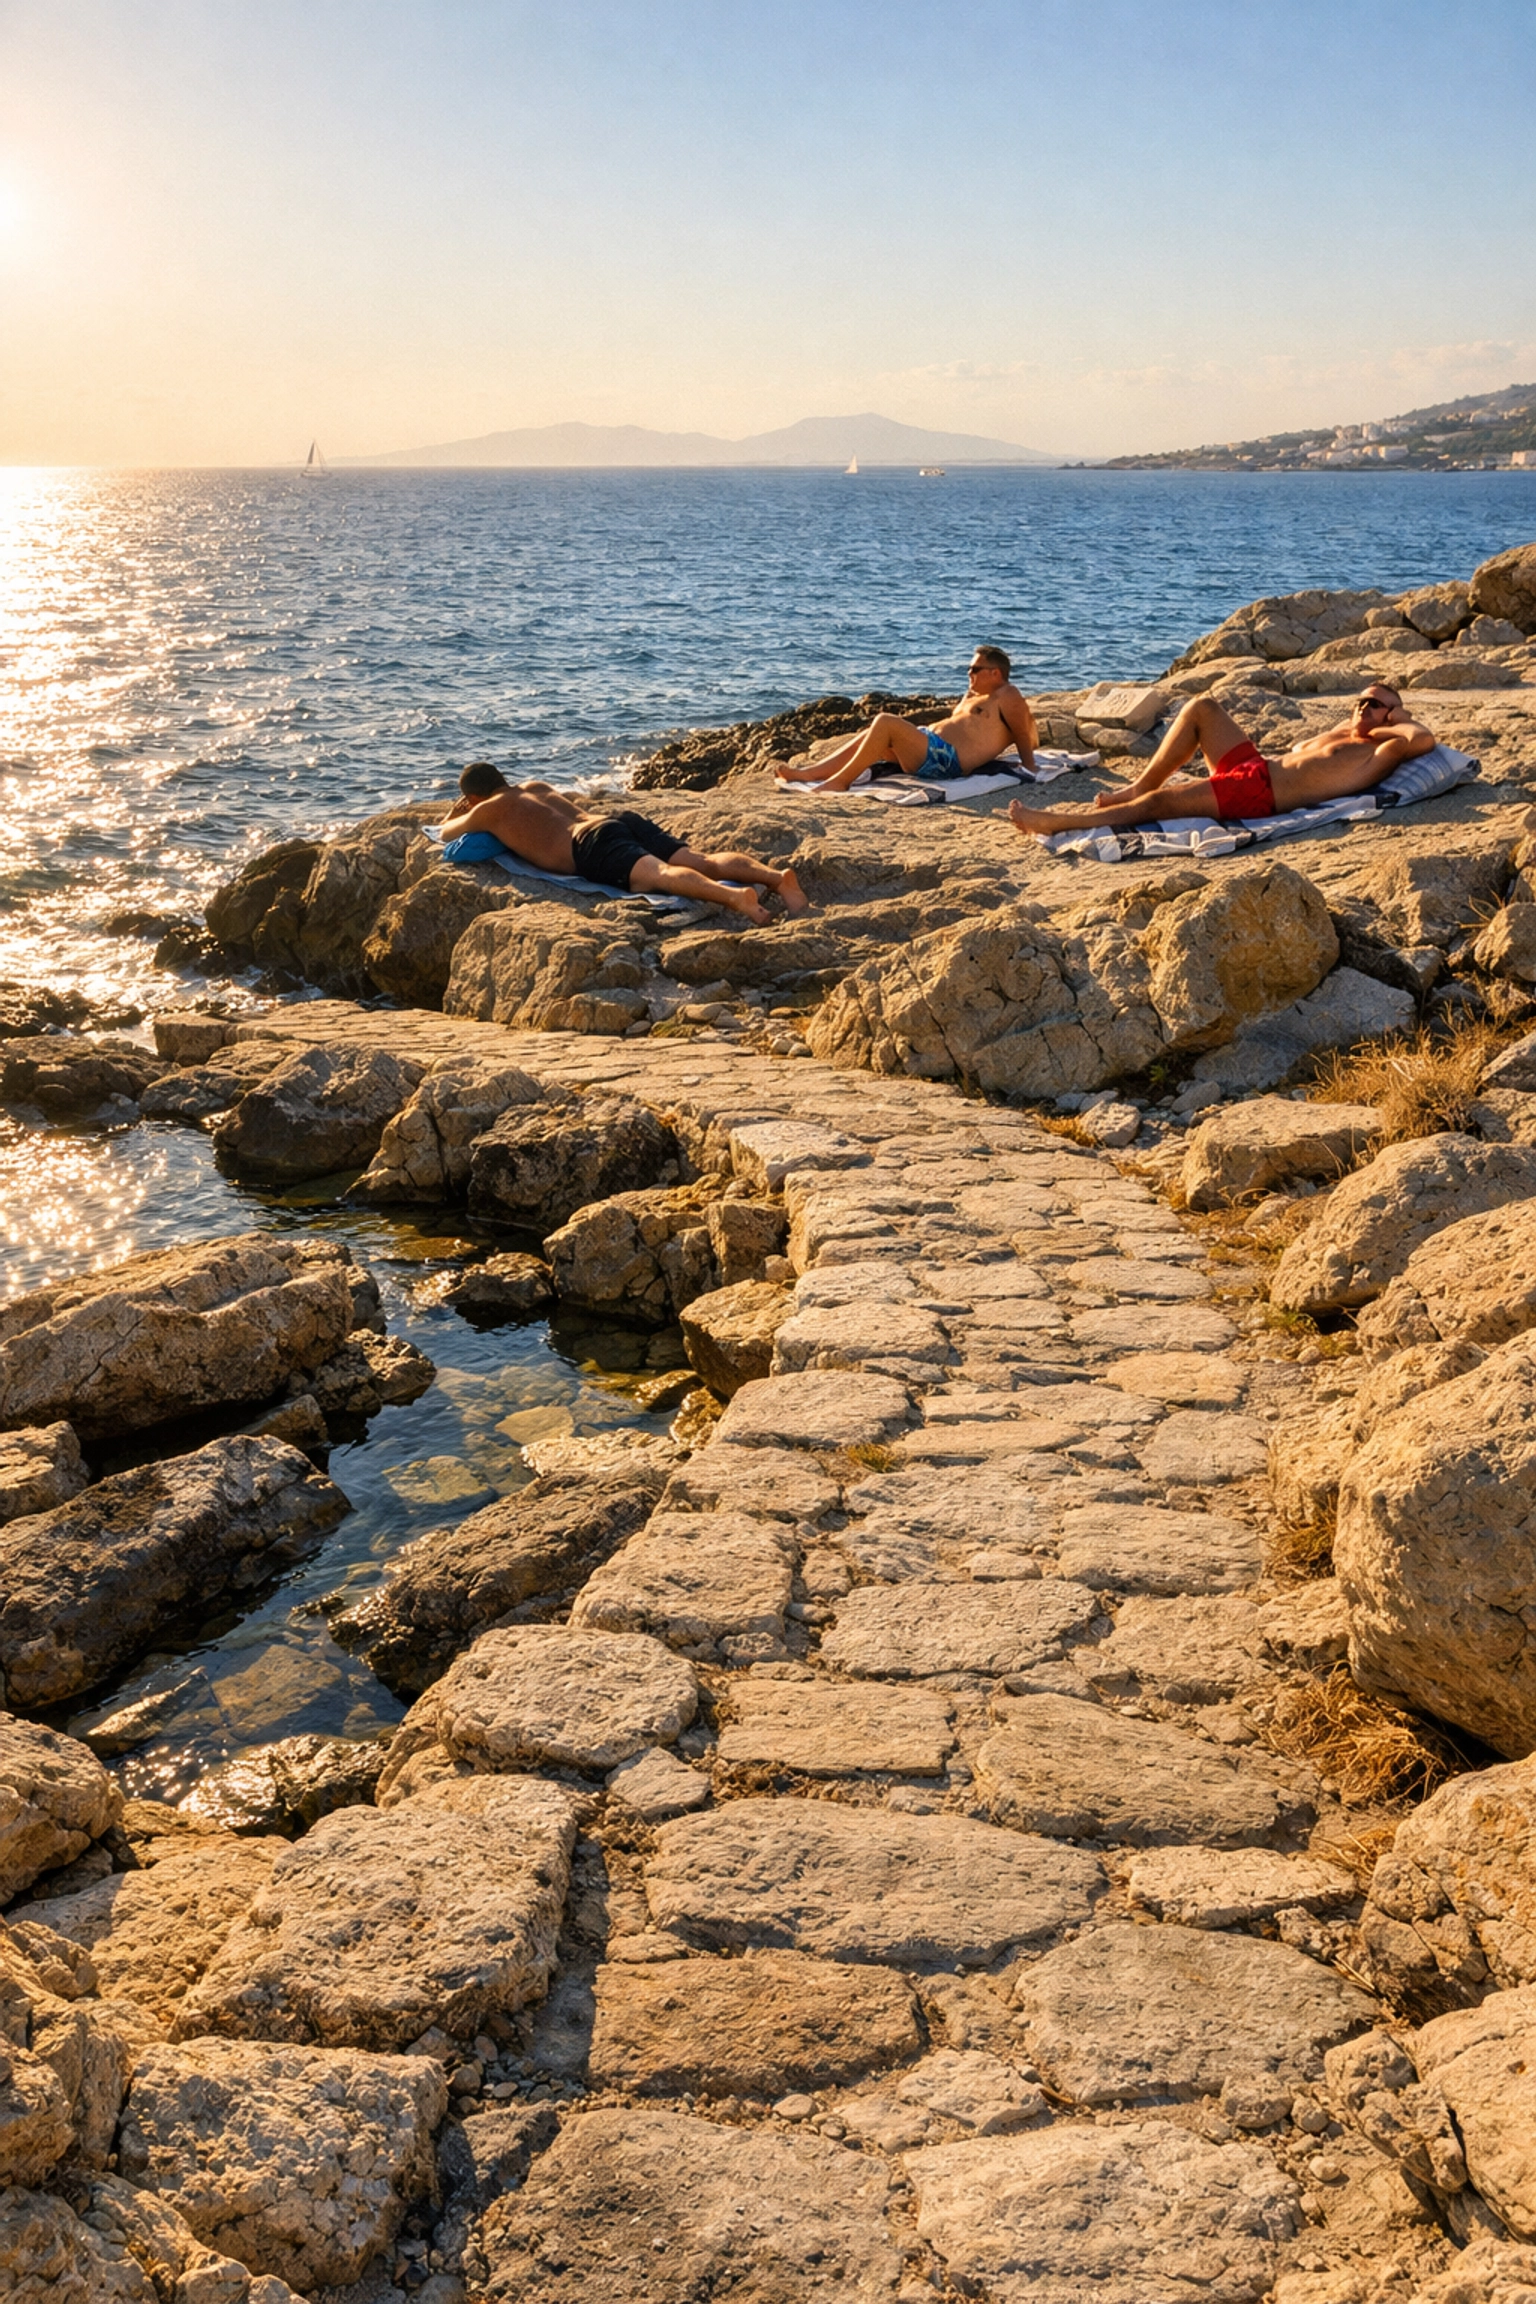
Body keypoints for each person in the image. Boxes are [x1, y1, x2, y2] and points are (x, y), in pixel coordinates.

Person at [1003, 682, 1434, 839]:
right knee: (1202, 707)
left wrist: (1399, 720)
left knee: (1162, 806)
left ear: (1393, 713)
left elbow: (1424, 739)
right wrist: (1375, 715)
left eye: (1377, 704)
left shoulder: (1384, 747)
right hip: (1254, 769)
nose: (1365, 706)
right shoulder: (1343, 732)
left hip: (1261, 794)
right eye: (1362, 698)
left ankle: (1056, 821)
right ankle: (1136, 787)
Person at [441, 763, 807, 924]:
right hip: (613, 822)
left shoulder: (487, 809)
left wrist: (455, 814)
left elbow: (445, 833)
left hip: (590, 846)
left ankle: (736, 898)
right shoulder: (536, 787)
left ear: (473, 798)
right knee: (703, 860)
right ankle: (777, 879)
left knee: (661, 875)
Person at [774, 647, 1039, 790]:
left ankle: (841, 781)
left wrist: (1030, 767)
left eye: (975, 669)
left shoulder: (1007, 694)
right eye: (968, 668)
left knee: (886, 722)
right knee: (870, 734)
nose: (969, 673)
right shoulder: (973, 695)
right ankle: (808, 773)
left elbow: (1023, 733)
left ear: (995, 673)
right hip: (928, 744)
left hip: (946, 759)